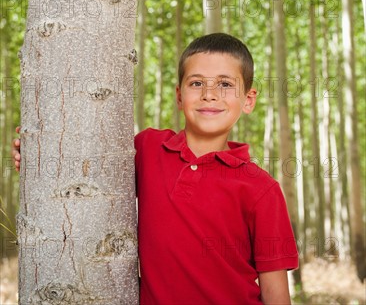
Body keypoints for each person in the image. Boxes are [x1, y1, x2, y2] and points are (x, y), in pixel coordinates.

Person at [13, 33, 298, 304]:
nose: (209, 94)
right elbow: (87, 171)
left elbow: (275, 293)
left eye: (225, 84)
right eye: (196, 83)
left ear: (248, 100)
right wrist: (39, 155)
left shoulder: (261, 189)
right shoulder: (149, 149)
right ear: (179, 95)